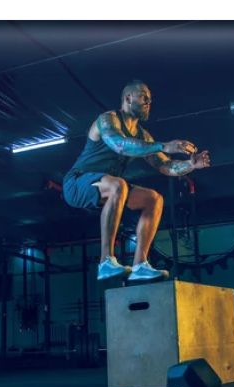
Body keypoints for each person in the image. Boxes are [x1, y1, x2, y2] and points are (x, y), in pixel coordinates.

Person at [63, 80, 210, 281]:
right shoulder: (108, 119)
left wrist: (191, 165)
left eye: (150, 98)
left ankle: (140, 264)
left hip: (108, 185)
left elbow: (165, 166)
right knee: (118, 185)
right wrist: (164, 145)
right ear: (127, 98)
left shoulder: (143, 135)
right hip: (76, 183)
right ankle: (106, 261)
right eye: (143, 96)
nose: (149, 101)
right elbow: (120, 145)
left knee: (154, 199)